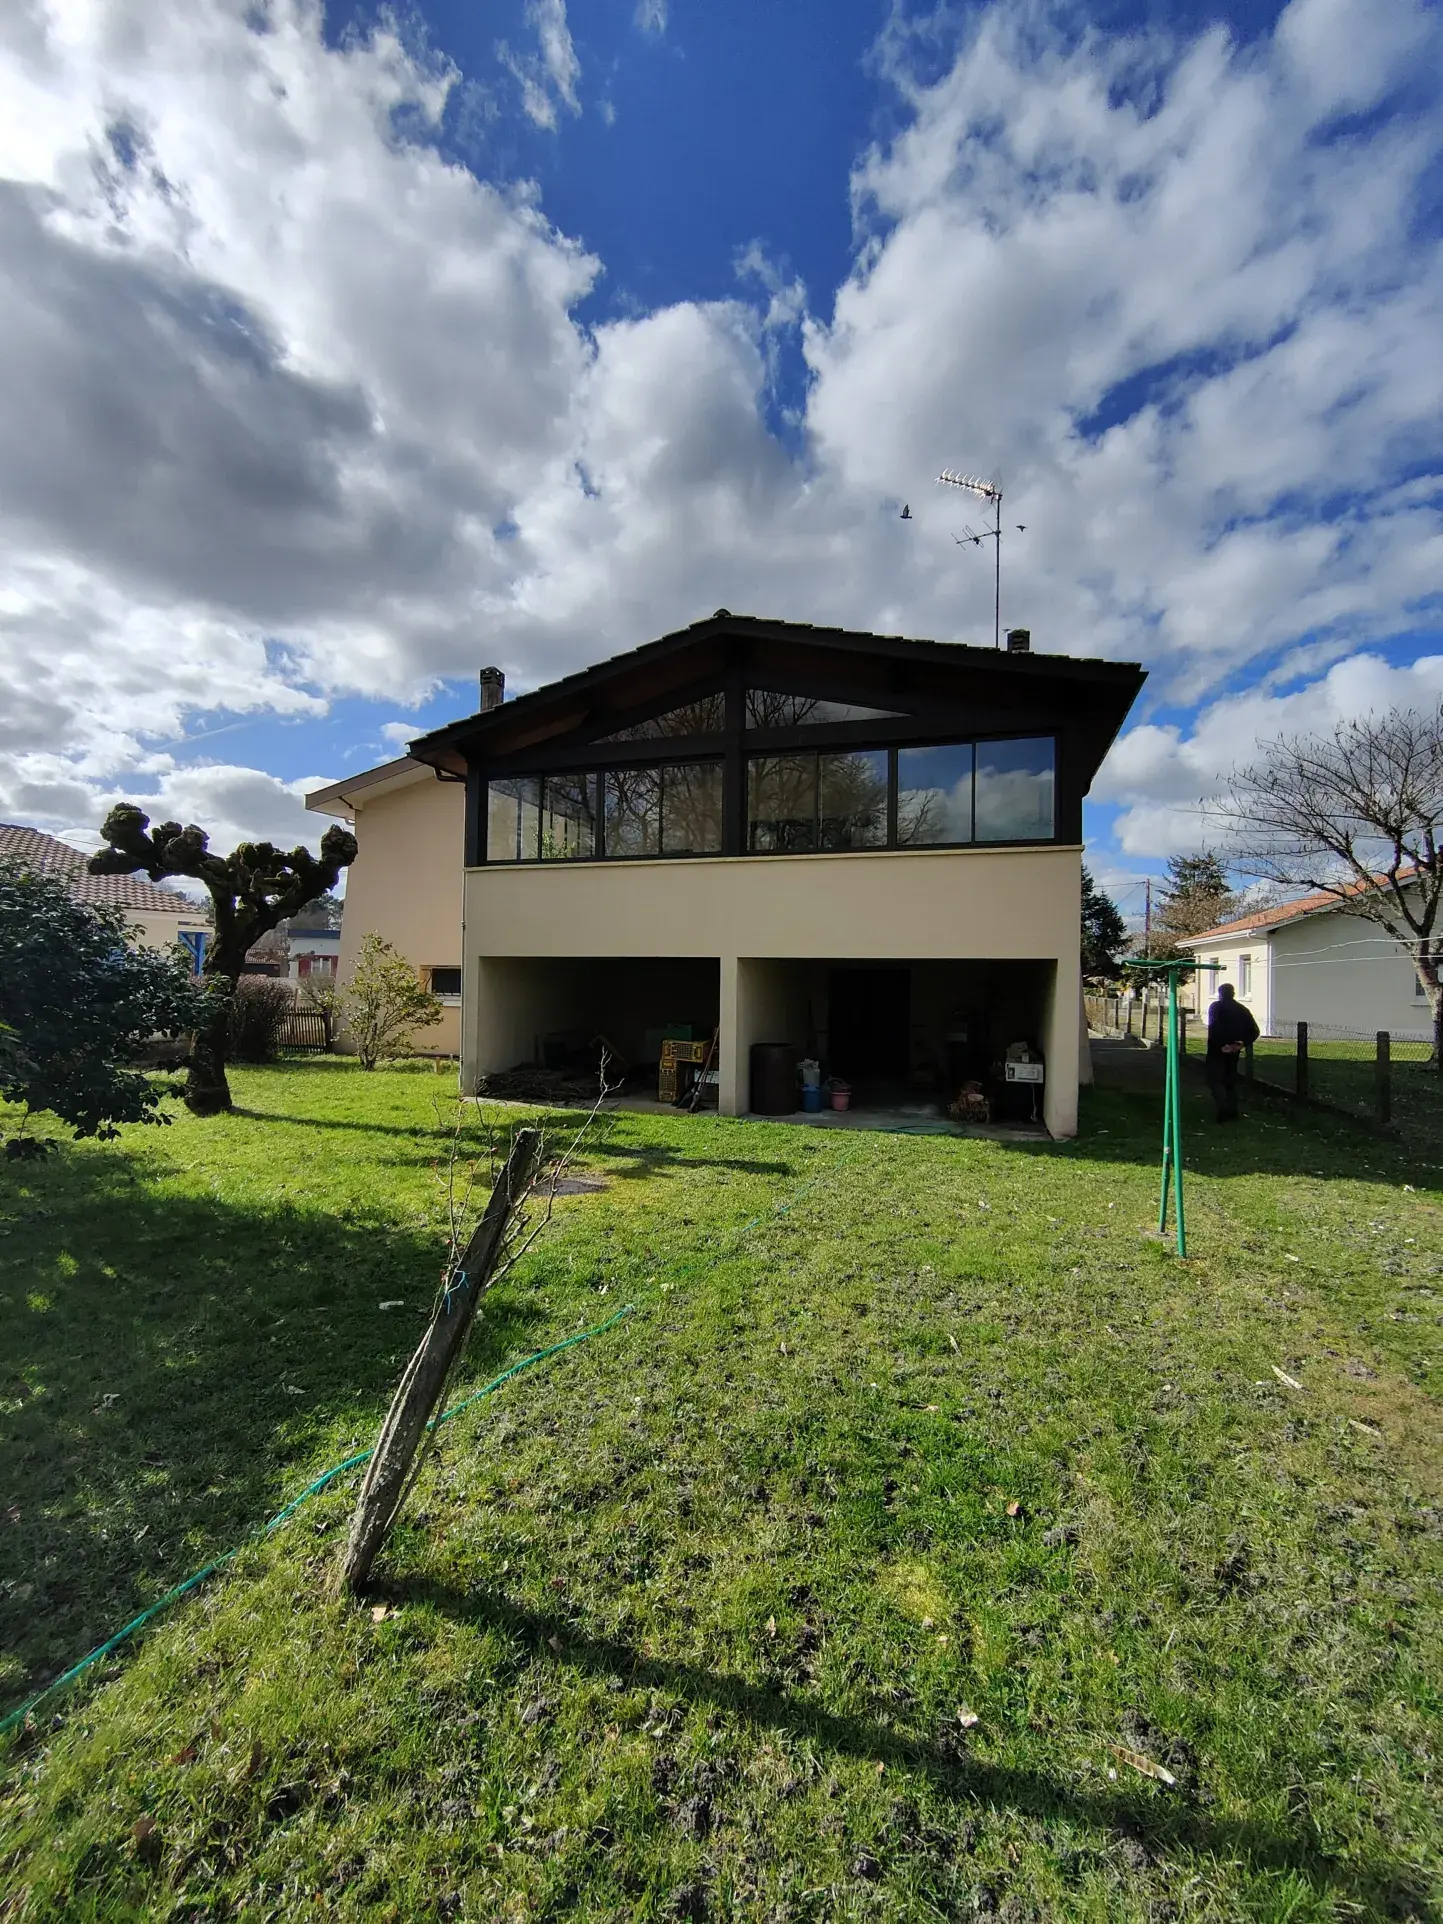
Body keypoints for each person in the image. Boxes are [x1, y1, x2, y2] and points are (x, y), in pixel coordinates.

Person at [1205, 981, 1259, 1122]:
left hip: (1217, 1050)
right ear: (1233, 993)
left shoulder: (1216, 1007)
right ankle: (1232, 1111)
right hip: (1233, 1051)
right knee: (1230, 1081)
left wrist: (1223, 1045)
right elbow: (1254, 1031)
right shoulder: (1242, 1010)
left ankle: (1223, 1110)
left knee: (1215, 1080)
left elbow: (1215, 1027)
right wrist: (1240, 1044)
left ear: (1220, 993)